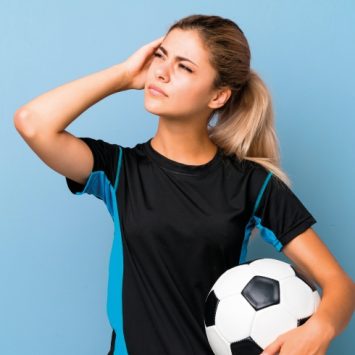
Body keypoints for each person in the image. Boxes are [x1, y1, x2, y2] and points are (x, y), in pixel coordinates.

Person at [14, 13, 354, 355]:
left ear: (218, 95)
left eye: (184, 67)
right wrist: (122, 75)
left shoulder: (251, 184)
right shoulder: (118, 170)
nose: (161, 71)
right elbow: (33, 123)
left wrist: (320, 328)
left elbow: (339, 286)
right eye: (161, 56)